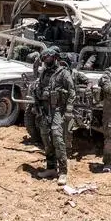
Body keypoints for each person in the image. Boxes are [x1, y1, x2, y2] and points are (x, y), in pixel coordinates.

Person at [34, 47, 75, 186]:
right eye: (44, 59)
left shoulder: (63, 73)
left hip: (57, 109)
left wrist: (68, 109)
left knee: (58, 138)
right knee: (46, 138)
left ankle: (63, 171)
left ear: (55, 58)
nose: (46, 61)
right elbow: (38, 89)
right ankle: (51, 168)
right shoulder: (44, 73)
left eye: (48, 58)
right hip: (45, 110)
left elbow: (71, 91)